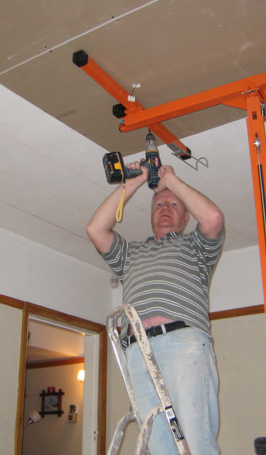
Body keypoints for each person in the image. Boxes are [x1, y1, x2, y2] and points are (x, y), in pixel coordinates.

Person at [86, 161, 225, 454]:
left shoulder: (196, 248)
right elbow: (95, 229)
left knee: (195, 440)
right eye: (159, 203)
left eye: (174, 204)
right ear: (150, 214)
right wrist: (134, 182)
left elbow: (212, 218)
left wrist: (170, 180)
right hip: (138, 351)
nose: (165, 207)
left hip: (182, 343)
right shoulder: (131, 254)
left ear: (185, 217)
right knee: (159, 445)